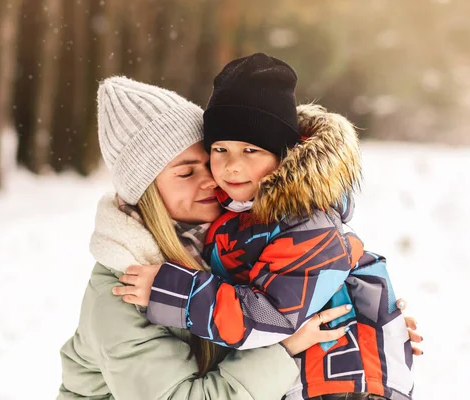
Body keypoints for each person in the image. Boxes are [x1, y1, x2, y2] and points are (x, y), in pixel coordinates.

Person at [117, 54, 416, 400]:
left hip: (342, 387)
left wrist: (175, 292)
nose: (231, 166)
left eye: (250, 150)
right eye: (220, 149)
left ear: (283, 155)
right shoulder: (241, 214)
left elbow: (270, 317)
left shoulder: (307, 224)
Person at [58, 76, 356, 400]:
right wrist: (286, 351)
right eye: (186, 173)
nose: (213, 180)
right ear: (144, 194)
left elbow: (288, 304)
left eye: (211, 159)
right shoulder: (120, 291)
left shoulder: (236, 240)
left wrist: (363, 334)